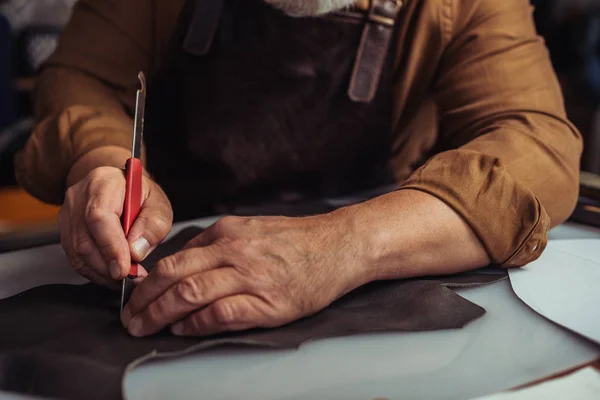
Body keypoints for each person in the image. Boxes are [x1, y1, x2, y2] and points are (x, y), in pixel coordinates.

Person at [15, 0, 582, 338]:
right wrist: (102, 162)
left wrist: (344, 244)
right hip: (167, 247)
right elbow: (79, 79)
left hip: (382, 264)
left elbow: (538, 142)